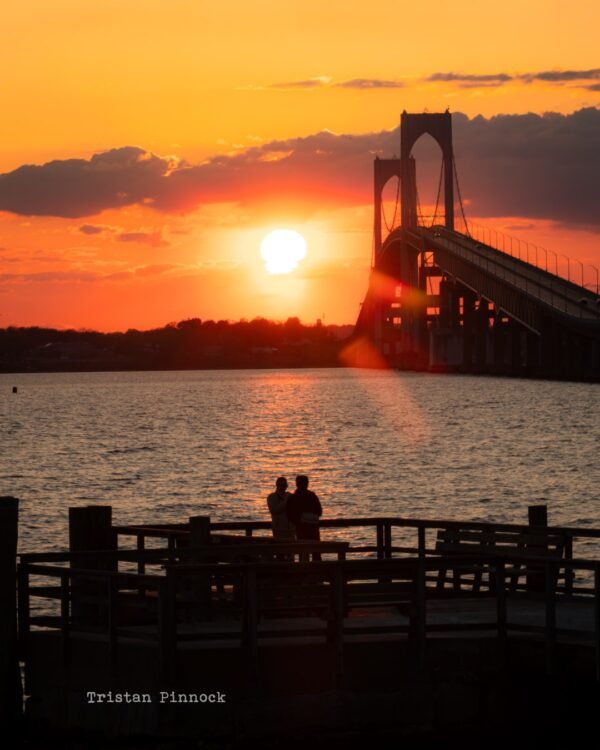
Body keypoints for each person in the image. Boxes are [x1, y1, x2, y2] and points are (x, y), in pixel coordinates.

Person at [286, 475, 322, 541]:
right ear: (307, 484)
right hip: (313, 527)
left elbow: (289, 515)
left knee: (302, 548)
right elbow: (319, 511)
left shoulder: (293, 498)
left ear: (296, 484)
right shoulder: (312, 496)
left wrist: (299, 521)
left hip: (300, 528)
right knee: (315, 548)